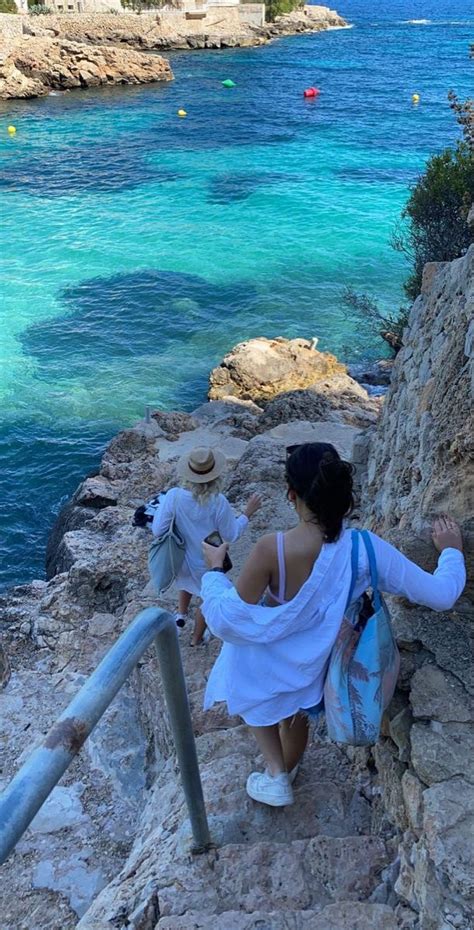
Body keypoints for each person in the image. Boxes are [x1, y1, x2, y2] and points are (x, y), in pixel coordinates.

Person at [200, 442, 466, 808]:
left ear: (291, 494)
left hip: (261, 663)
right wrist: (451, 551)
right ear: (343, 497)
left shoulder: (270, 549)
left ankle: (277, 773)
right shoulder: (365, 549)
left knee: (252, 687)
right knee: (296, 712)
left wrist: (215, 570)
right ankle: (288, 769)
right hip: (314, 666)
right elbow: (441, 595)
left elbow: (227, 619)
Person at [152, 446, 261, 645]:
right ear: (214, 476)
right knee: (207, 597)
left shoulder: (174, 496)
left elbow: (158, 530)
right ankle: (196, 639)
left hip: (181, 559)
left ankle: (180, 616)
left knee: (186, 584)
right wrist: (247, 513)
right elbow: (231, 535)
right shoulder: (219, 502)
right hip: (209, 561)